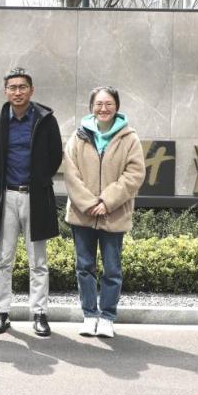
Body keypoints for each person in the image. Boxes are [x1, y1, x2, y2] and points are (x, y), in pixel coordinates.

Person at [0, 67, 63, 337]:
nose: (17, 92)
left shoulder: (45, 120)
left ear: (31, 90)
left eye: (22, 87)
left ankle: (39, 313)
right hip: (7, 195)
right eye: (12, 87)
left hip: (35, 197)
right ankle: (1, 313)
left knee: (37, 260)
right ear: (5, 91)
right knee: (3, 259)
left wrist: (39, 180)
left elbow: (55, 156)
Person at [63, 86, 145, 339]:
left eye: (109, 104)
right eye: (99, 104)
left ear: (116, 107)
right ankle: (89, 315)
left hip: (114, 213)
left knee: (112, 269)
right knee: (84, 267)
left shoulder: (129, 138)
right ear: (91, 107)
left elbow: (134, 174)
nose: (103, 108)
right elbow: (70, 173)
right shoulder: (78, 136)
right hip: (83, 214)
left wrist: (107, 201)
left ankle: (107, 317)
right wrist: (89, 203)